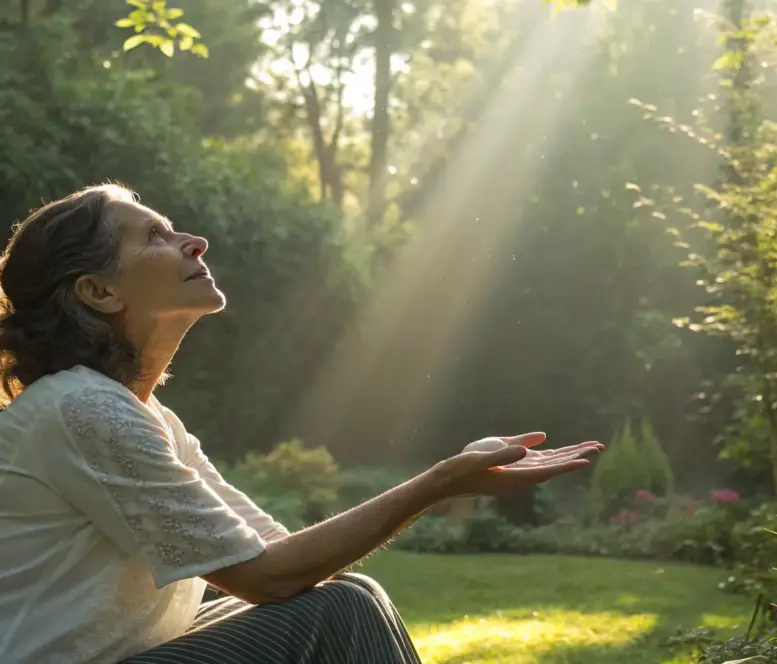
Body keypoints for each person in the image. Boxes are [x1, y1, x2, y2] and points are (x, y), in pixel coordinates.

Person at [0, 184, 604, 664]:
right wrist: (442, 482)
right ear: (97, 291)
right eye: (156, 236)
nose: (195, 241)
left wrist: (449, 477)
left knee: (351, 597)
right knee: (340, 610)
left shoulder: (140, 414)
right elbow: (265, 578)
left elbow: (281, 558)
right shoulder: (82, 409)